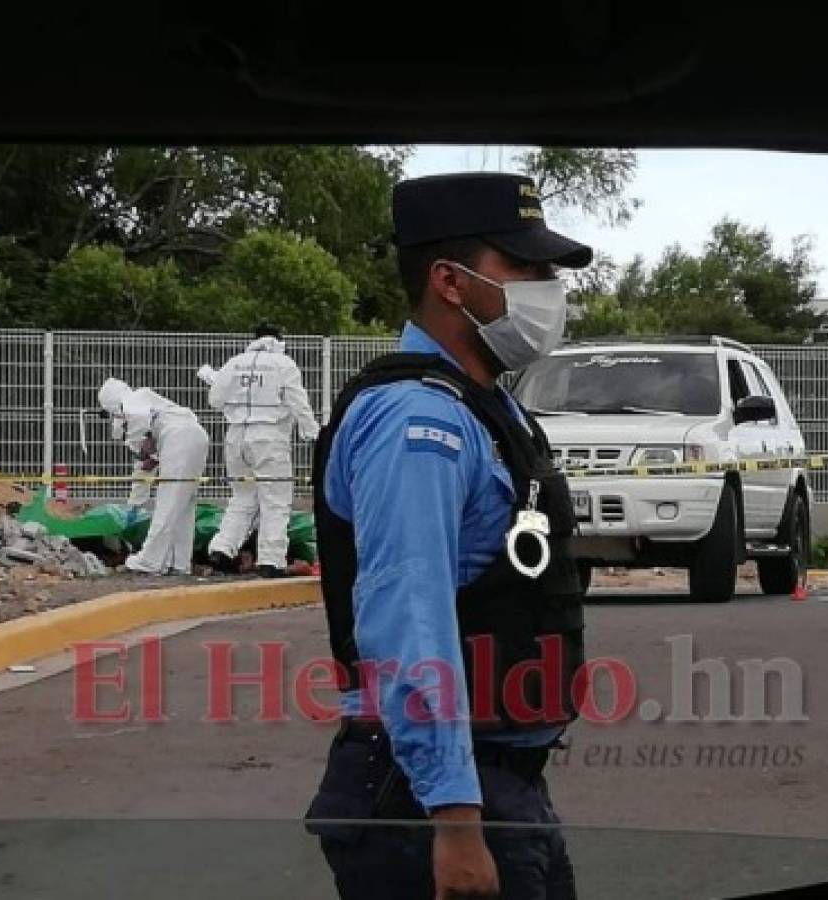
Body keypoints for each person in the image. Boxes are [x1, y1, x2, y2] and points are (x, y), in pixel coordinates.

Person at [306, 172, 592, 899]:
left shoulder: (485, 406)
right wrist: (456, 822)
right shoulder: (416, 422)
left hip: (496, 785)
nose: (547, 288)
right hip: (429, 799)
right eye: (524, 268)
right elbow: (410, 620)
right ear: (449, 281)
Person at [205, 324, 320, 577]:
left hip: (235, 436)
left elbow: (215, 399)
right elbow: (298, 402)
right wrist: (313, 434)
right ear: (279, 340)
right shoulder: (283, 364)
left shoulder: (234, 363)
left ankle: (222, 549)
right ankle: (271, 560)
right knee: (275, 501)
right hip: (269, 437)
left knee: (241, 497)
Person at [97, 378, 209, 575]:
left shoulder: (132, 407)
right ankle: (179, 563)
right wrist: (136, 500)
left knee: (168, 501)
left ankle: (150, 561)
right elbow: (147, 463)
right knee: (183, 506)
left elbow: (143, 458)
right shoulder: (148, 401)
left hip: (179, 438)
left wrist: (135, 502)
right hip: (196, 435)